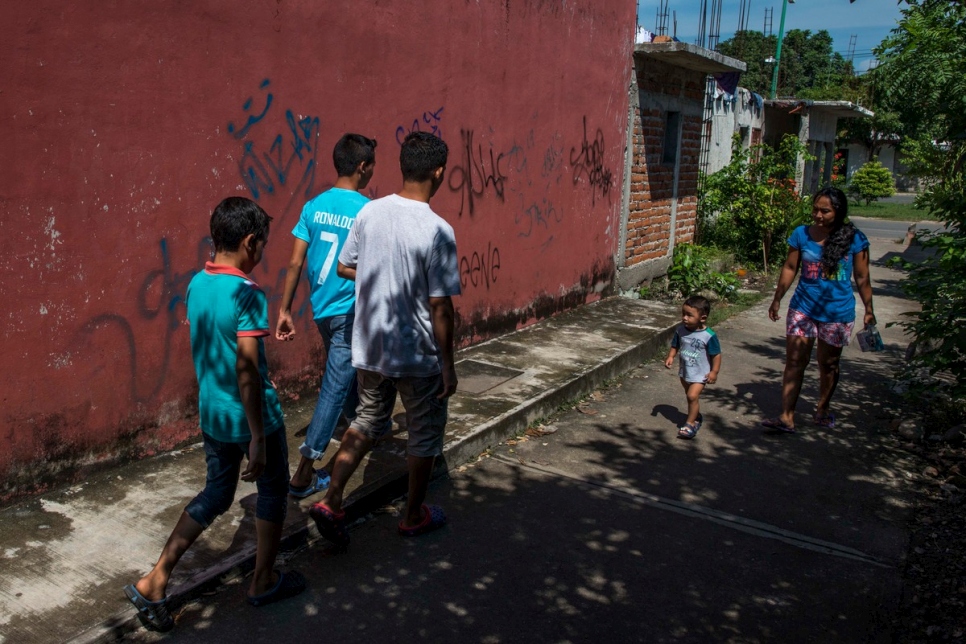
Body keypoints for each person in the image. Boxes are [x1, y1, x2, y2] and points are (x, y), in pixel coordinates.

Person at [123, 197, 304, 632]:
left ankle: (156, 578)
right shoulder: (247, 292)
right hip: (250, 417)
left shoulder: (197, 284)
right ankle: (262, 580)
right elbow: (245, 368)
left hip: (213, 416)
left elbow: (218, 351)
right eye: (260, 245)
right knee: (274, 490)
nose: (260, 254)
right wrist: (258, 435)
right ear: (248, 242)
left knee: (217, 494)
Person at [308, 131, 460, 547]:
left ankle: (332, 498)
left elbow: (344, 268)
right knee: (424, 432)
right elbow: (441, 307)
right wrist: (448, 364)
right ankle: (413, 514)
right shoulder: (438, 229)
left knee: (366, 421)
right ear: (439, 172)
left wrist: (384, 278)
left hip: (370, 347)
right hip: (418, 354)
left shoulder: (370, 213)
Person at [275, 133, 378, 498]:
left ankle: (361, 426)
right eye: (372, 165)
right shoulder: (367, 210)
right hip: (349, 311)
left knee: (343, 374)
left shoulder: (313, 205)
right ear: (362, 166)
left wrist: (285, 309)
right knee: (335, 384)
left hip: (321, 309)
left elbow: (294, 261)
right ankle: (304, 472)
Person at [762, 186, 875, 433]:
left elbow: (862, 277)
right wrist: (777, 297)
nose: (818, 215)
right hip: (803, 307)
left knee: (829, 364)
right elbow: (790, 267)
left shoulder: (855, 239)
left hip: (837, 312)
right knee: (794, 361)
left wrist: (869, 309)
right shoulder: (801, 234)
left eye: (825, 211)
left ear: (839, 211)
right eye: (815, 209)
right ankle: (786, 416)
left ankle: (822, 408)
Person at [664, 295, 722, 439]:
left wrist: (714, 372)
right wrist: (671, 356)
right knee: (690, 397)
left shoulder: (708, 335)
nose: (684, 318)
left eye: (689, 315)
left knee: (692, 396)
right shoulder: (680, 330)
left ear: (702, 318)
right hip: (685, 371)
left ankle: (690, 423)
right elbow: (675, 345)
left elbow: (716, 355)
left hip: (700, 374)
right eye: (683, 314)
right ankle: (695, 415)